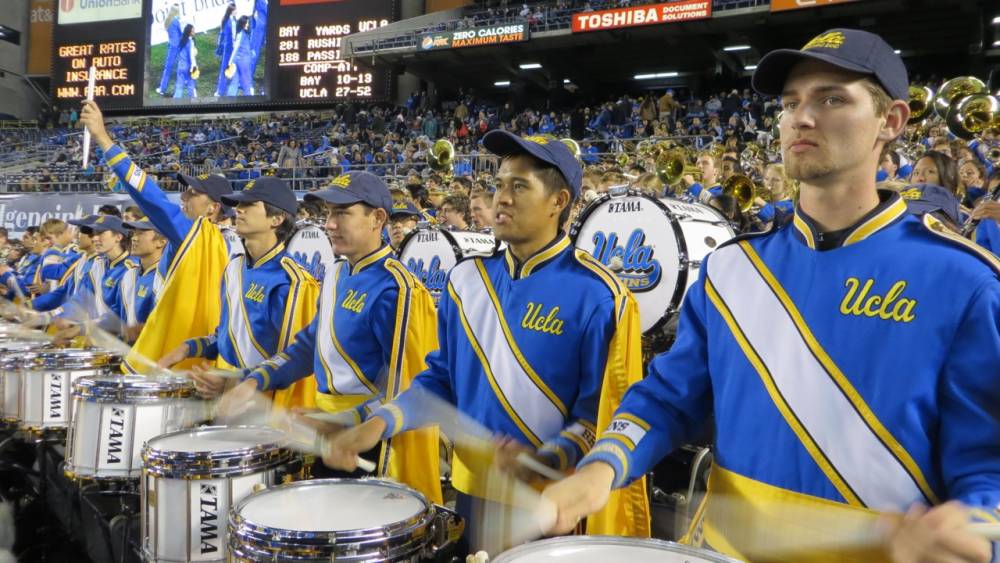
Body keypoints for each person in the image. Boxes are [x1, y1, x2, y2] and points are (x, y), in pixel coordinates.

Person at [543, 29, 1000, 563]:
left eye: (832, 98)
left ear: (891, 121)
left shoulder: (963, 280)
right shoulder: (730, 269)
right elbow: (668, 397)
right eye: (790, 103)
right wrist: (604, 464)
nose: (801, 118)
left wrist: (973, 528)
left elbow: (987, 465)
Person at [319, 133, 649, 546]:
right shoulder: (465, 280)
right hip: (472, 490)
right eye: (499, 185)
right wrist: (377, 424)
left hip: (553, 503)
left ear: (559, 202)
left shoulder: (600, 294)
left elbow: (598, 418)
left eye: (520, 186)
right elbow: (440, 382)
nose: (503, 198)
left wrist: (547, 458)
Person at [208, 172, 441, 503]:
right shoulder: (335, 272)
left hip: (371, 443)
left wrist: (345, 421)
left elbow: (406, 386)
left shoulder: (398, 288)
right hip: (330, 431)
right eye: (328, 213)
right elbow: (309, 344)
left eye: (342, 213)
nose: (330, 224)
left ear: (378, 218)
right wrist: (254, 381)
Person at [154, 178, 320, 412]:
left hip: (265, 411)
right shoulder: (234, 267)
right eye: (239, 204)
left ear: (277, 219)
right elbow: (225, 335)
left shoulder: (294, 281)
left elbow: (292, 361)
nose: (239, 210)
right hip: (228, 400)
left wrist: (232, 382)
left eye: (250, 205)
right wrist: (186, 348)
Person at [52, 216, 135, 341]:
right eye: (94, 233)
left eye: (100, 233)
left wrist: (82, 328)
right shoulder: (98, 264)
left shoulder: (131, 269)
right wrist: (52, 315)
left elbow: (119, 313)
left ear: (118, 237)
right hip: (101, 338)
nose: (95, 238)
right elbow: (80, 299)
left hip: (122, 342)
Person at [118, 218, 168, 343]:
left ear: (161, 241)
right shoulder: (129, 275)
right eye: (134, 233)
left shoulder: (167, 276)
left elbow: (169, 322)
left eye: (141, 233)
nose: (134, 238)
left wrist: (140, 329)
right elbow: (123, 317)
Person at [225, 16, 255, 96]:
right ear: (243, 24)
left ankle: (229, 100)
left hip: (238, 60)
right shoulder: (241, 34)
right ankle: (249, 100)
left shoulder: (242, 33)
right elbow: (236, 48)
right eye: (247, 23)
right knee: (246, 82)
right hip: (243, 62)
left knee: (235, 81)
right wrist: (230, 61)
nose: (248, 25)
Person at [156, 5, 183, 96]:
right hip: (178, 46)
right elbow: (181, 33)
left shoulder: (167, 21)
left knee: (168, 68)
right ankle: (188, 85)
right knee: (183, 65)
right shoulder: (176, 21)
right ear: (176, 12)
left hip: (172, 46)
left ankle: (162, 89)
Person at [214, 3, 237, 97]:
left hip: (231, 47)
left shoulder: (230, 20)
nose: (237, 11)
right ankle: (220, 91)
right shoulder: (229, 22)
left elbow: (222, 34)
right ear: (231, 11)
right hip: (229, 48)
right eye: (235, 10)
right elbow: (230, 36)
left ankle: (223, 90)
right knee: (225, 69)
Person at [173, 23, 198, 99]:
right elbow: (191, 56)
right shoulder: (191, 42)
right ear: (189, 32)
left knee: (179, 87)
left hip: (180, 66)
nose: (194, 32)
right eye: (193, 31)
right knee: (191, 86)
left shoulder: (182, 41)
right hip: (188, 67)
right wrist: (194, 66)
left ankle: (175, 104)